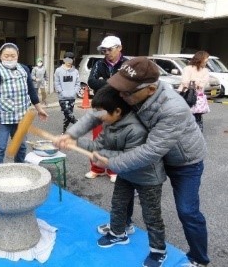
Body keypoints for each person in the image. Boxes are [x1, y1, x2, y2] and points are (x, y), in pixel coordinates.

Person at [57, 57, 210, 267]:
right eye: (121, 88)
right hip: (149, 154)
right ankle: (122, 227)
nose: (121, 94)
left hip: (184, 160)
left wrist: (110, 162)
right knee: (125, 188)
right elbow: (98, 113)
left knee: (187, 210)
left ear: (150, 89)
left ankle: (199, 259)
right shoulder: (128, 93)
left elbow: (150, 151)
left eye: (127, 91)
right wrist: (72, 135)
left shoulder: (172, 108)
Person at [71, 85, 167, 267]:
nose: (97, 117)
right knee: (118, 203)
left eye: (100, 113)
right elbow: (97, 146)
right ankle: (118, 233)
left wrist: (105, 160)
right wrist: (73, 141)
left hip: (147, 177)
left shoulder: (136, 129)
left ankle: (158, 251)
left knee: (151, 215)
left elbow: (131, 157)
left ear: (117, 110)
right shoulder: (108, 124)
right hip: (125, 174)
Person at [0, 42, 48, 165]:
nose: (9, 58)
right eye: (6, 56)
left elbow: (31, 91)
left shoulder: (24, 69)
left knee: (21, 146)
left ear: (17, 55)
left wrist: (39, 109)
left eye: (12, 56)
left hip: (21, 117)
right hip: (2, 118)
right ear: (0, 56)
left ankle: (19, 169)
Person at [86, 35, 128, 182]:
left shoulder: (127, 64)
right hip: (100, 106)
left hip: (118, 108)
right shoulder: (99, 63)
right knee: (97, 139)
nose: (106, 53)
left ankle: (112, 169)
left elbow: (126, 84)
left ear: (119, 48)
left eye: (109, 49)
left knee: (115, 140)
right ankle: (97, 168)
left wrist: (104, 82)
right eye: (104, 50)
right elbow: (91, 82)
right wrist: (113, 84)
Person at [179, 51, 210, 132]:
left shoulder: (205, 71)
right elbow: (185, 82)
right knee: (184, 113)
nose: (206, 63)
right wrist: (198, 82)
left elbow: (203, 83)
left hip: (198, 97)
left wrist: (193, 81)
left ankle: (197, 133)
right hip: (186, 94)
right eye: (205, 61)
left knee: (197, 114)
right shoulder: (187, 68)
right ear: (200, 59)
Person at [54, 51, 80, 133]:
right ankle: (79, 124)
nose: (68, 62)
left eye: (70, 60)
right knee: (67, 113)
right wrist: (61, 91)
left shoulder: (75, 71)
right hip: (62, 97)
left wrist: (75, 92)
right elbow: (56, 83)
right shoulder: (58, 70)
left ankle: (64, 130)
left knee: (68, 115)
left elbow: (77, 83)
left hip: (72, 97)